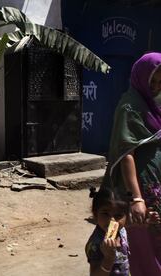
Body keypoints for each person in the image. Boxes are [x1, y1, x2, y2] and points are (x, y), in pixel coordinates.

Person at [102, 52, 161, 275]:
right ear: (140, 77)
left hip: (154, 187)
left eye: (160, 82)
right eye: (152, 81)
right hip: (138, 190)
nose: (156, 86)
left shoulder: (153, 106)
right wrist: (136, 198)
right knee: (134, 242)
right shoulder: (130, 106)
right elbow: (126, 153)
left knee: (153, 241)